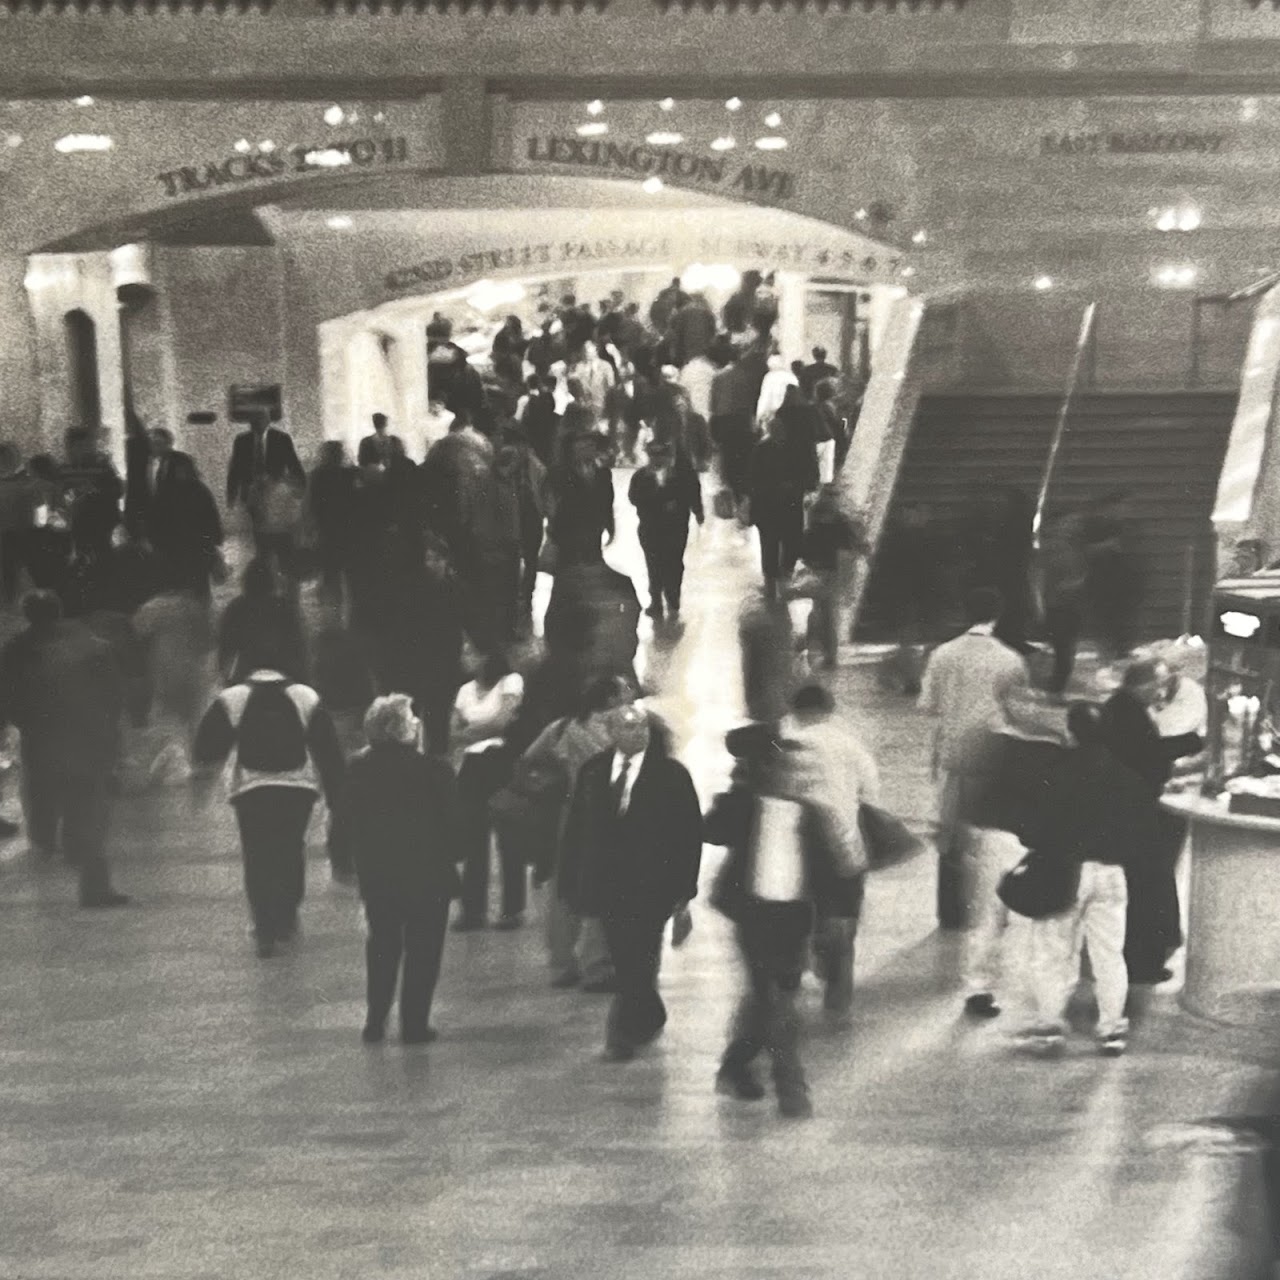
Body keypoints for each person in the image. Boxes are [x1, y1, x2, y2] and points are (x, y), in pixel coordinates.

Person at [706, 728, 862, 1118]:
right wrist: (737, 786)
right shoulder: (746, 807)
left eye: (794, 770)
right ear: (766, 771)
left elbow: (833, 873)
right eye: (783, 768)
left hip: (793, 921)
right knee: (775, 1000)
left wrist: (837, 917)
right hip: (752, 916)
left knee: (772, 997)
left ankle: (735, 1064)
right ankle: (790, 1085)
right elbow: (711, 830)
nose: (791, 777)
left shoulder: (811, 815)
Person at [560, 700, 703, 1062]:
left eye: (641, 727)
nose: (637, 732)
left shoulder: (671, 775)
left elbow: (688, 834)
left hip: (651, 885)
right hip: (608, 885)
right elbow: (577, 828)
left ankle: (623, 1031)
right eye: (627, 726)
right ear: (610, 732)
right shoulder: (594, 772)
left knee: (642, 954)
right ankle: (649, 1011)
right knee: (624, 956)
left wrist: (684, 891)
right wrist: (570, 878)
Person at [1020, 703, 1158, 1056]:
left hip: (1064, 872)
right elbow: (1144, 832)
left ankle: (1049, 1028)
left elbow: (1031, 831)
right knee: (1110, 955)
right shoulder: (1126, 777)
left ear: (1071, 732)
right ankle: (1111, 1030)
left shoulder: (1056, 771)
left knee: (1053, 953)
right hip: (1111, 874)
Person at [193, 653, 345, 957]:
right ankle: (286, 915)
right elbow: (328, 751)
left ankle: (264, 927)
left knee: (257, 854)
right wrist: (336, 796)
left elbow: (205, 747)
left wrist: (201, 783)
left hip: (251, 789)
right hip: (297, 787)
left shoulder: (233, 697)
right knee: (290, 849)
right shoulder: (304, 695)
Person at [337, 694, 462, 1046]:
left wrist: (349, 860)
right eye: (411, 719)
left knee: (382, 946)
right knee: (424, 951)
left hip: (379, 875)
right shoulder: (435, 770)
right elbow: (454, 824)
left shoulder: (359, 769)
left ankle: (375, 1021)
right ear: (398, 729)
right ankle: (414, 1024)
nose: (418, 724)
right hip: (429, 875)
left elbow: (343, 819)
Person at [0, 590, 127, 905]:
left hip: (39, 735)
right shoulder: (88, 645)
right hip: (85, 737)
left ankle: (43, 838)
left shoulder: (16, 649)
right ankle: (87, 872)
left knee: (41, 787)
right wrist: (111, 735)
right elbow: (112, 694)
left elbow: (7, 694)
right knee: (87, 802)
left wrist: (17, 722)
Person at [918, 587, 1029, 947]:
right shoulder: (1010, 660)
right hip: (995, 754)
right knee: (994, 835)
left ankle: (952, 914)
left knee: (952, 836)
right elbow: (1020, 710)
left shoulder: (942, 654)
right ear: (997, 615)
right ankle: (996, 907)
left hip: (954, 754)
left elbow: (929, 706)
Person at [511, 675, 630, 991]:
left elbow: (527, 760)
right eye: (624, 690)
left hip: (570, 815)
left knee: (564, 888)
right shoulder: (622, 729)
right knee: (606, 887)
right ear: (609, 700)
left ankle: (562, 963)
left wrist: (543, 787)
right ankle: (598, 965)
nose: (630, 694)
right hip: (608, 817)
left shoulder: (562, 727)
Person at [783, 684, 881, 1011]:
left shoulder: (789, 745)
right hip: (846, 841)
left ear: (796, 712)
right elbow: (870, 791)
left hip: (802, 843)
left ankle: (798, 964)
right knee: (843, 908)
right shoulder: (851, 744)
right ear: (829, 709)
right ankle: (839, 979)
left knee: (802, 906)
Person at [1100, 657, 1188, 984]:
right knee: (1147, 887)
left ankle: (1143, 959)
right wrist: (1181, 751)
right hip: (1133, 813)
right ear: (1144, 684)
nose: (1162, 690)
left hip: (1123, 810)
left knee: (1142, 887)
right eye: (1159, 683)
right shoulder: (1128, 712)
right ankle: (1144, 963)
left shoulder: (1120, 707)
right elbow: (1144, 757)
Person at [451, 652, 525, 931]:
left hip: (501, 761)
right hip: (471, 767)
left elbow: (503, 722)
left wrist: (471, 731)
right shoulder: (464, 690)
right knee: (473, 838)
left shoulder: (511, 682)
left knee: (508, 834)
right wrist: (482, 730)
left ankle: (512, 908)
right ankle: (472, 910)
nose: (467, 656)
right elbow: (454, 730)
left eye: (471, 651)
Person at [628, 438, 704, 622]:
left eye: (661, 454)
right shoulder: (641, 476)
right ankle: (656, 600)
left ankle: (672, 595)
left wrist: (697, 511)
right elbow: (633, 497)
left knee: (674, 562)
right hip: (650, 528)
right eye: (653, 455)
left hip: (676, 528)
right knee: (653, 564)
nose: (657, 459)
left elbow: (692, 492)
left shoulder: (681, 475)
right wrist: (657, 500)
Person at [748, 410, 818, 600]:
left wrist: (794, 485)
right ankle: (772, 581)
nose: (779, 432)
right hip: (770, 505)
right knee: (770, 543)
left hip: (788, 503)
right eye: (775, 429)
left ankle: (783, 575)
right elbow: (754, 480)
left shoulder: (793, 449)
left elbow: (807, 475)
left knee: (790, 541)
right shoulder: (762, 449)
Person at [225, 411, 306, 567]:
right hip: (250, 492)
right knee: (258, 532)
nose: (257, 424)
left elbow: (293, 463)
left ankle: (278, 564)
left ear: (268, 421)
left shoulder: (281, 438)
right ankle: (263, 563)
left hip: (274, 491)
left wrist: (301, 486)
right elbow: (235, 468)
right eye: (254, 420)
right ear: (250, 423)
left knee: (276, 530)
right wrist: (231, 494)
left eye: (261, 420)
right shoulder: (242, 440)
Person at [146, 453, 223, 602]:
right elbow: (154, 521)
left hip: (194, 546)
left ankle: (198, 611)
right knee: (187, 584)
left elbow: (211, 516)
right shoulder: (171, 492)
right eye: (178, 469)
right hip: (179, 546)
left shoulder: (192, 490)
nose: (181, 473)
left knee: (197, 583)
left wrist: (215, 539)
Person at [217, 558, 307, 686]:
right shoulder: (284, 607)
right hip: (281, 673)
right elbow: (299, 647)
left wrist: (227, 681)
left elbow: (225, 649)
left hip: (246, 673)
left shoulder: (236, 607)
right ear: (272, 582)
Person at [548, 432, 615, 566]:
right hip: (568, 530)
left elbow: (607, 501)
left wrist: (610, 526)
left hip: (593, 529)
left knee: (591, 568)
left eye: (591, 446)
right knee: (567, 569)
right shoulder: (560, 472)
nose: (587, 450)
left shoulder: (603, 473)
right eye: (582, 447)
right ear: (573, 450)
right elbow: (553, 501)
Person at [306, 440, 358, 612]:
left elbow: (313, 505)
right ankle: (351, 609)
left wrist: (312, 529)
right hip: (348, 529)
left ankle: (333, 610)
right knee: (350, 571)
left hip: (327, 529)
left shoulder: (317, 475)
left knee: (330, 571)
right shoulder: (350, 474)